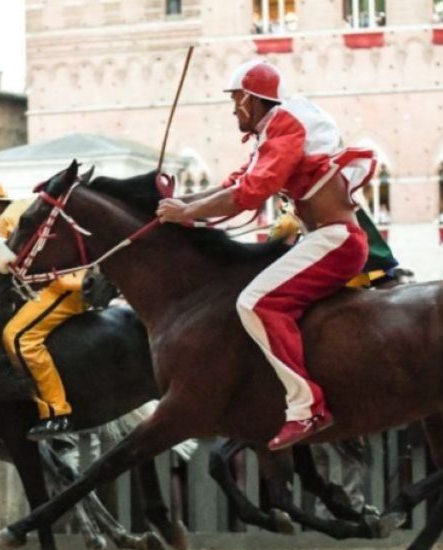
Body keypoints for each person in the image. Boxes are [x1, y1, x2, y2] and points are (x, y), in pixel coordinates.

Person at [157, 59, 376, 450]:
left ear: (252, 100)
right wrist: (177, 203)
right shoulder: (269, 132)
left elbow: (251, 193)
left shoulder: (283, 124)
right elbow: (232, 185)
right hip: (324, 237)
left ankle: (306, 407)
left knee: (255, 303)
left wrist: (187, 212)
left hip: (335, 239)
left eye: (237, 98)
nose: (233, 108)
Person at [0, 176, 85, 439]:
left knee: (18, 337)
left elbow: (14, 263)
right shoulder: (15, 213)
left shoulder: (10, 216)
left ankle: (56, 412)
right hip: (56, 284)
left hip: (64, 285)